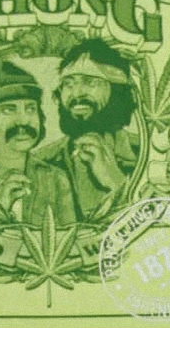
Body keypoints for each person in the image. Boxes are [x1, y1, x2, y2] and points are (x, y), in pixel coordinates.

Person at [33, 39, 141, 219]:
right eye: (68, 84)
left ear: (117, 90)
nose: (76, 94)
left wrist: (116, 182)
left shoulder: (144, 153)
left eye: (90, 82)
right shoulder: (42, 162)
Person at [0, 61, 76, 226]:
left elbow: (70, 236)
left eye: (30, 109)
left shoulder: (55, 179)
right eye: (8, 110)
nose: (23, 120)